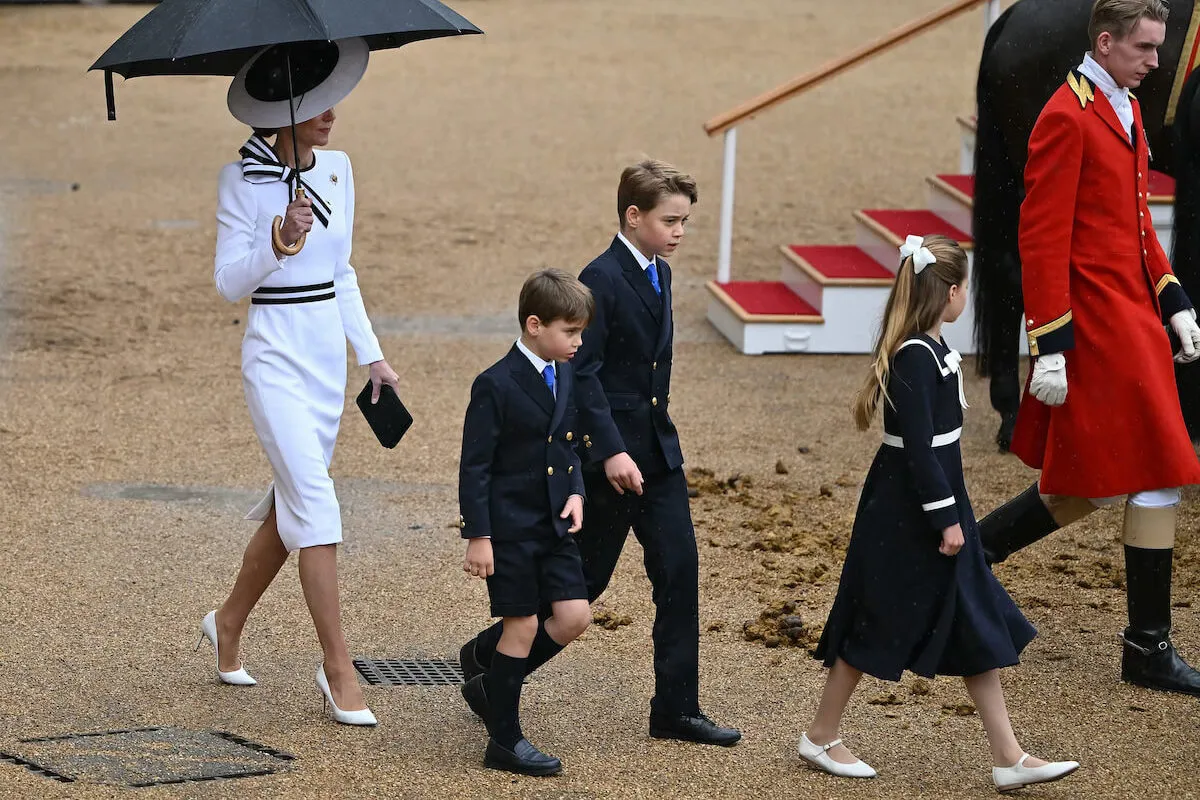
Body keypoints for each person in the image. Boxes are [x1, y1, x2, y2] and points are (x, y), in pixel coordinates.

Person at [457, 160, 740, 746]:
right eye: (671, 220)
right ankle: (488, 664)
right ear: (633, 216)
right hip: (606, 463)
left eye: (686, 221)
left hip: (657, 455)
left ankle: (676, 708)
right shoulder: (601, 278)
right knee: (584, 586)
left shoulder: (660, 273)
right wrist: (608, 452)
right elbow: (580, 375)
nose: (680, 232)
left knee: (679, 571)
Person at [978, 0, 1200, 697]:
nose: (1156, 63)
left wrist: (1173, 295)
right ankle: (1144, 646)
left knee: (1118, 478)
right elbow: (1039, 239)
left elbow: (1137, 223)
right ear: (1104, 44)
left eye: (1159, 49)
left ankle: (1144, 643)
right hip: (1094, 324)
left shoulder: (1128, 106)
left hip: (1133, 315)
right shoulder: (1064, 116)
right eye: (1143, 49)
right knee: (1127, 473)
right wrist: (1047, 345)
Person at [803, 234, 1079, 792]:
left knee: (973, 619)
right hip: (908, 515)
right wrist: (946, 519)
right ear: (951, 292)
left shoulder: (929, 348)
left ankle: (1008, 756)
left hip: (931, 506)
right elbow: (922, 451)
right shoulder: (914, 356)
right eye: (965, 290)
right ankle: (820, 735)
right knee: (877, 619)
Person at [197, 38, 399, 726]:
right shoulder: (239, 180)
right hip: (273, 356)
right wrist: (277, 240)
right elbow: (229, 284)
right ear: (277, 109)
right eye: (314, 101)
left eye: (332, 95)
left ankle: (226, 622)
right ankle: (337, 668)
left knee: (294, 508)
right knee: (316, 501)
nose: (331, 112)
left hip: (324, 360)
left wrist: (371, 357)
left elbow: (341, 273)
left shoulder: (339, 168)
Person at [457, 269, 595, 776]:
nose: (579, 342)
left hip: (554, 526)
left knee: (575, 616)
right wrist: (479, 535)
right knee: (523, 624)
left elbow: (568, 444)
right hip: (509, 529)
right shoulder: (495, 383)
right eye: (571, 332)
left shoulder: (565, 372)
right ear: (535, 325)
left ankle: (492, 686)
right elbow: (476, 466)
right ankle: (505, 741)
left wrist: (577, 491)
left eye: (581, 332)